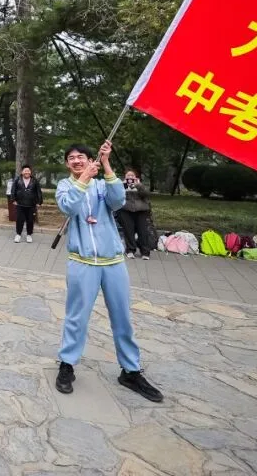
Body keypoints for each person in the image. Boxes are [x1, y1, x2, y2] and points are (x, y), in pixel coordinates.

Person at [53, 141, 163, 403]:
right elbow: (69, 207)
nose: (77, 161)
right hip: (82, 261)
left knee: (122, 317)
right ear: (67, 164)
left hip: (113, 262)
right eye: (71, 158)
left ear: (90, 159)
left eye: (81, 156)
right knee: (76, 317)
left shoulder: (103, 185)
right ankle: (67, 365)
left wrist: (106, 164)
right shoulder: (65, 185)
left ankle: (131, 371)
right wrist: (83, 179)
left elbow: (118, 200)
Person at [118, 169, 154, 260]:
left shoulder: (140, 185)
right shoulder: (121, 185)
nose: (130, 177)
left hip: (141, 211)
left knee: (143, 232)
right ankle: (130, 251)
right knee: (128, 231)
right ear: (125, 177)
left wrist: (138, 186)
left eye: (132, 176)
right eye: (128, 176)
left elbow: (146, 195)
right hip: (126, 210)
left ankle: (145, 252)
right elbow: (117, 196)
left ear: (136, 177)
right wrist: (123, 185)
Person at [10, 164, 43, 244]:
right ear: (22, 172)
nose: (27, 172)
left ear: (30, 172)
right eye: (25, 171)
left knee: (30, 220)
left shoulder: (34, 181)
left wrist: (39, 201)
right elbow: (13, 190)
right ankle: (18, 234)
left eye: (28, 171)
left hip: (31, 204)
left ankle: (29, 235)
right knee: (19, 220)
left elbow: (38, 191)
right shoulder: (17, 180)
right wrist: (13, 199)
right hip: (20, 204)